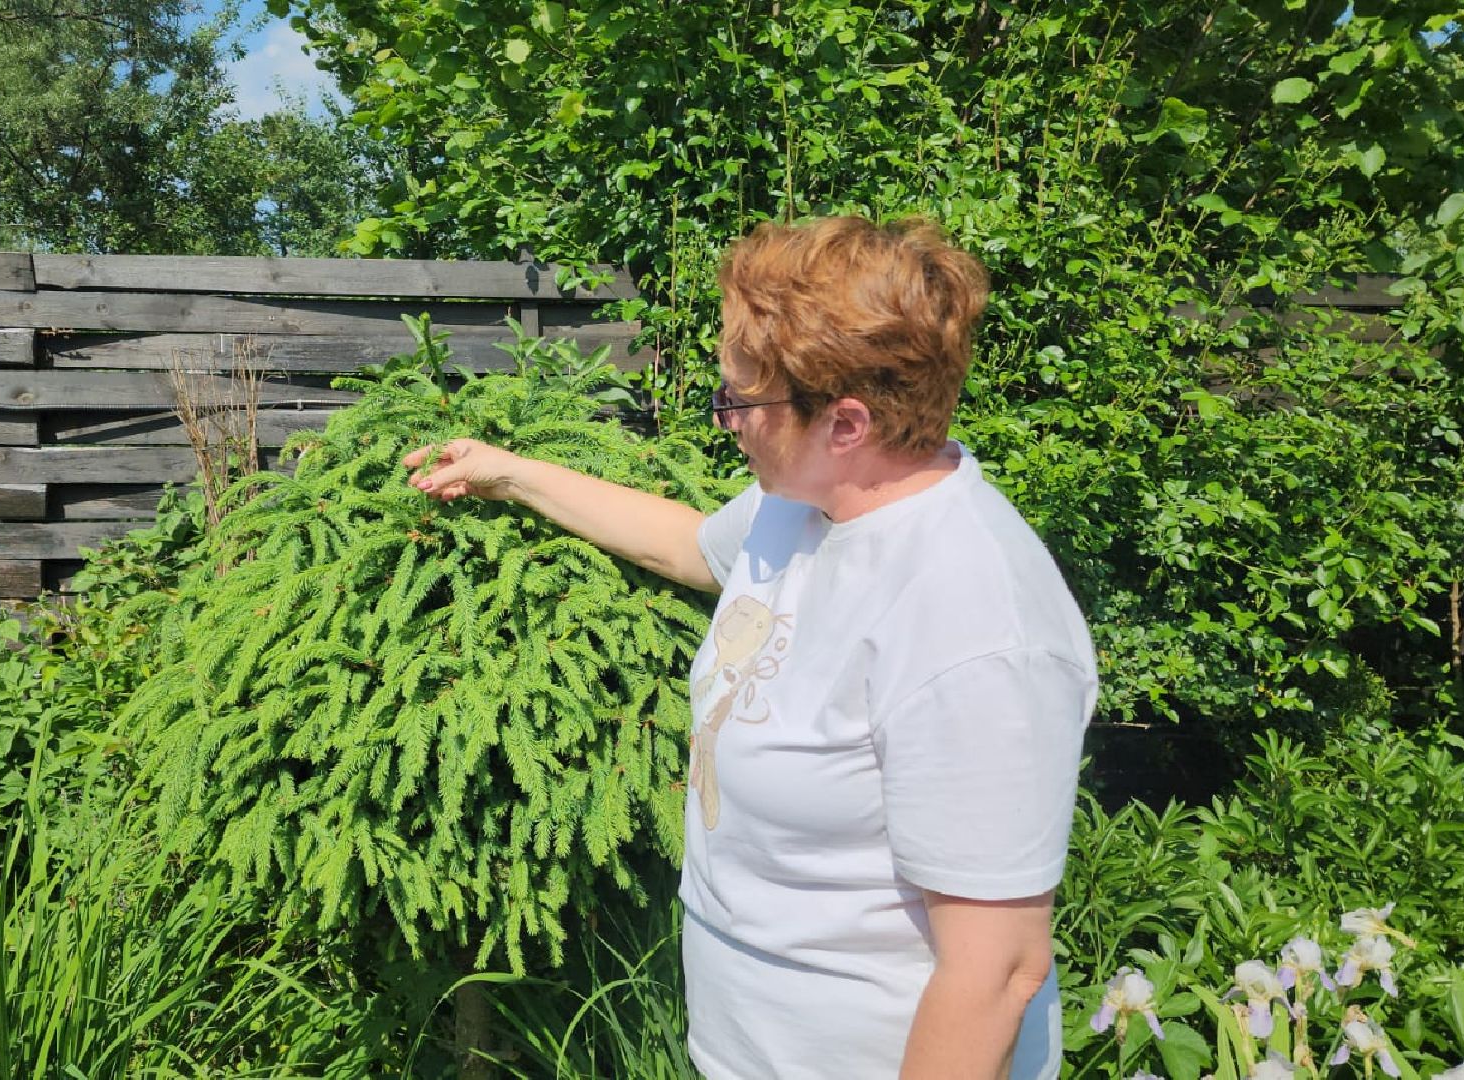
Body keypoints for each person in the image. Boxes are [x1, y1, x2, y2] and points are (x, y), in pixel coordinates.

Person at [404, 215, 1094, 1080]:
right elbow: (690, 547)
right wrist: (510, 473)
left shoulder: (977, 625)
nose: (724, 418)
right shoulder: (802, 505)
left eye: (739, 399)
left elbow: (997, 972)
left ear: (846, 423)